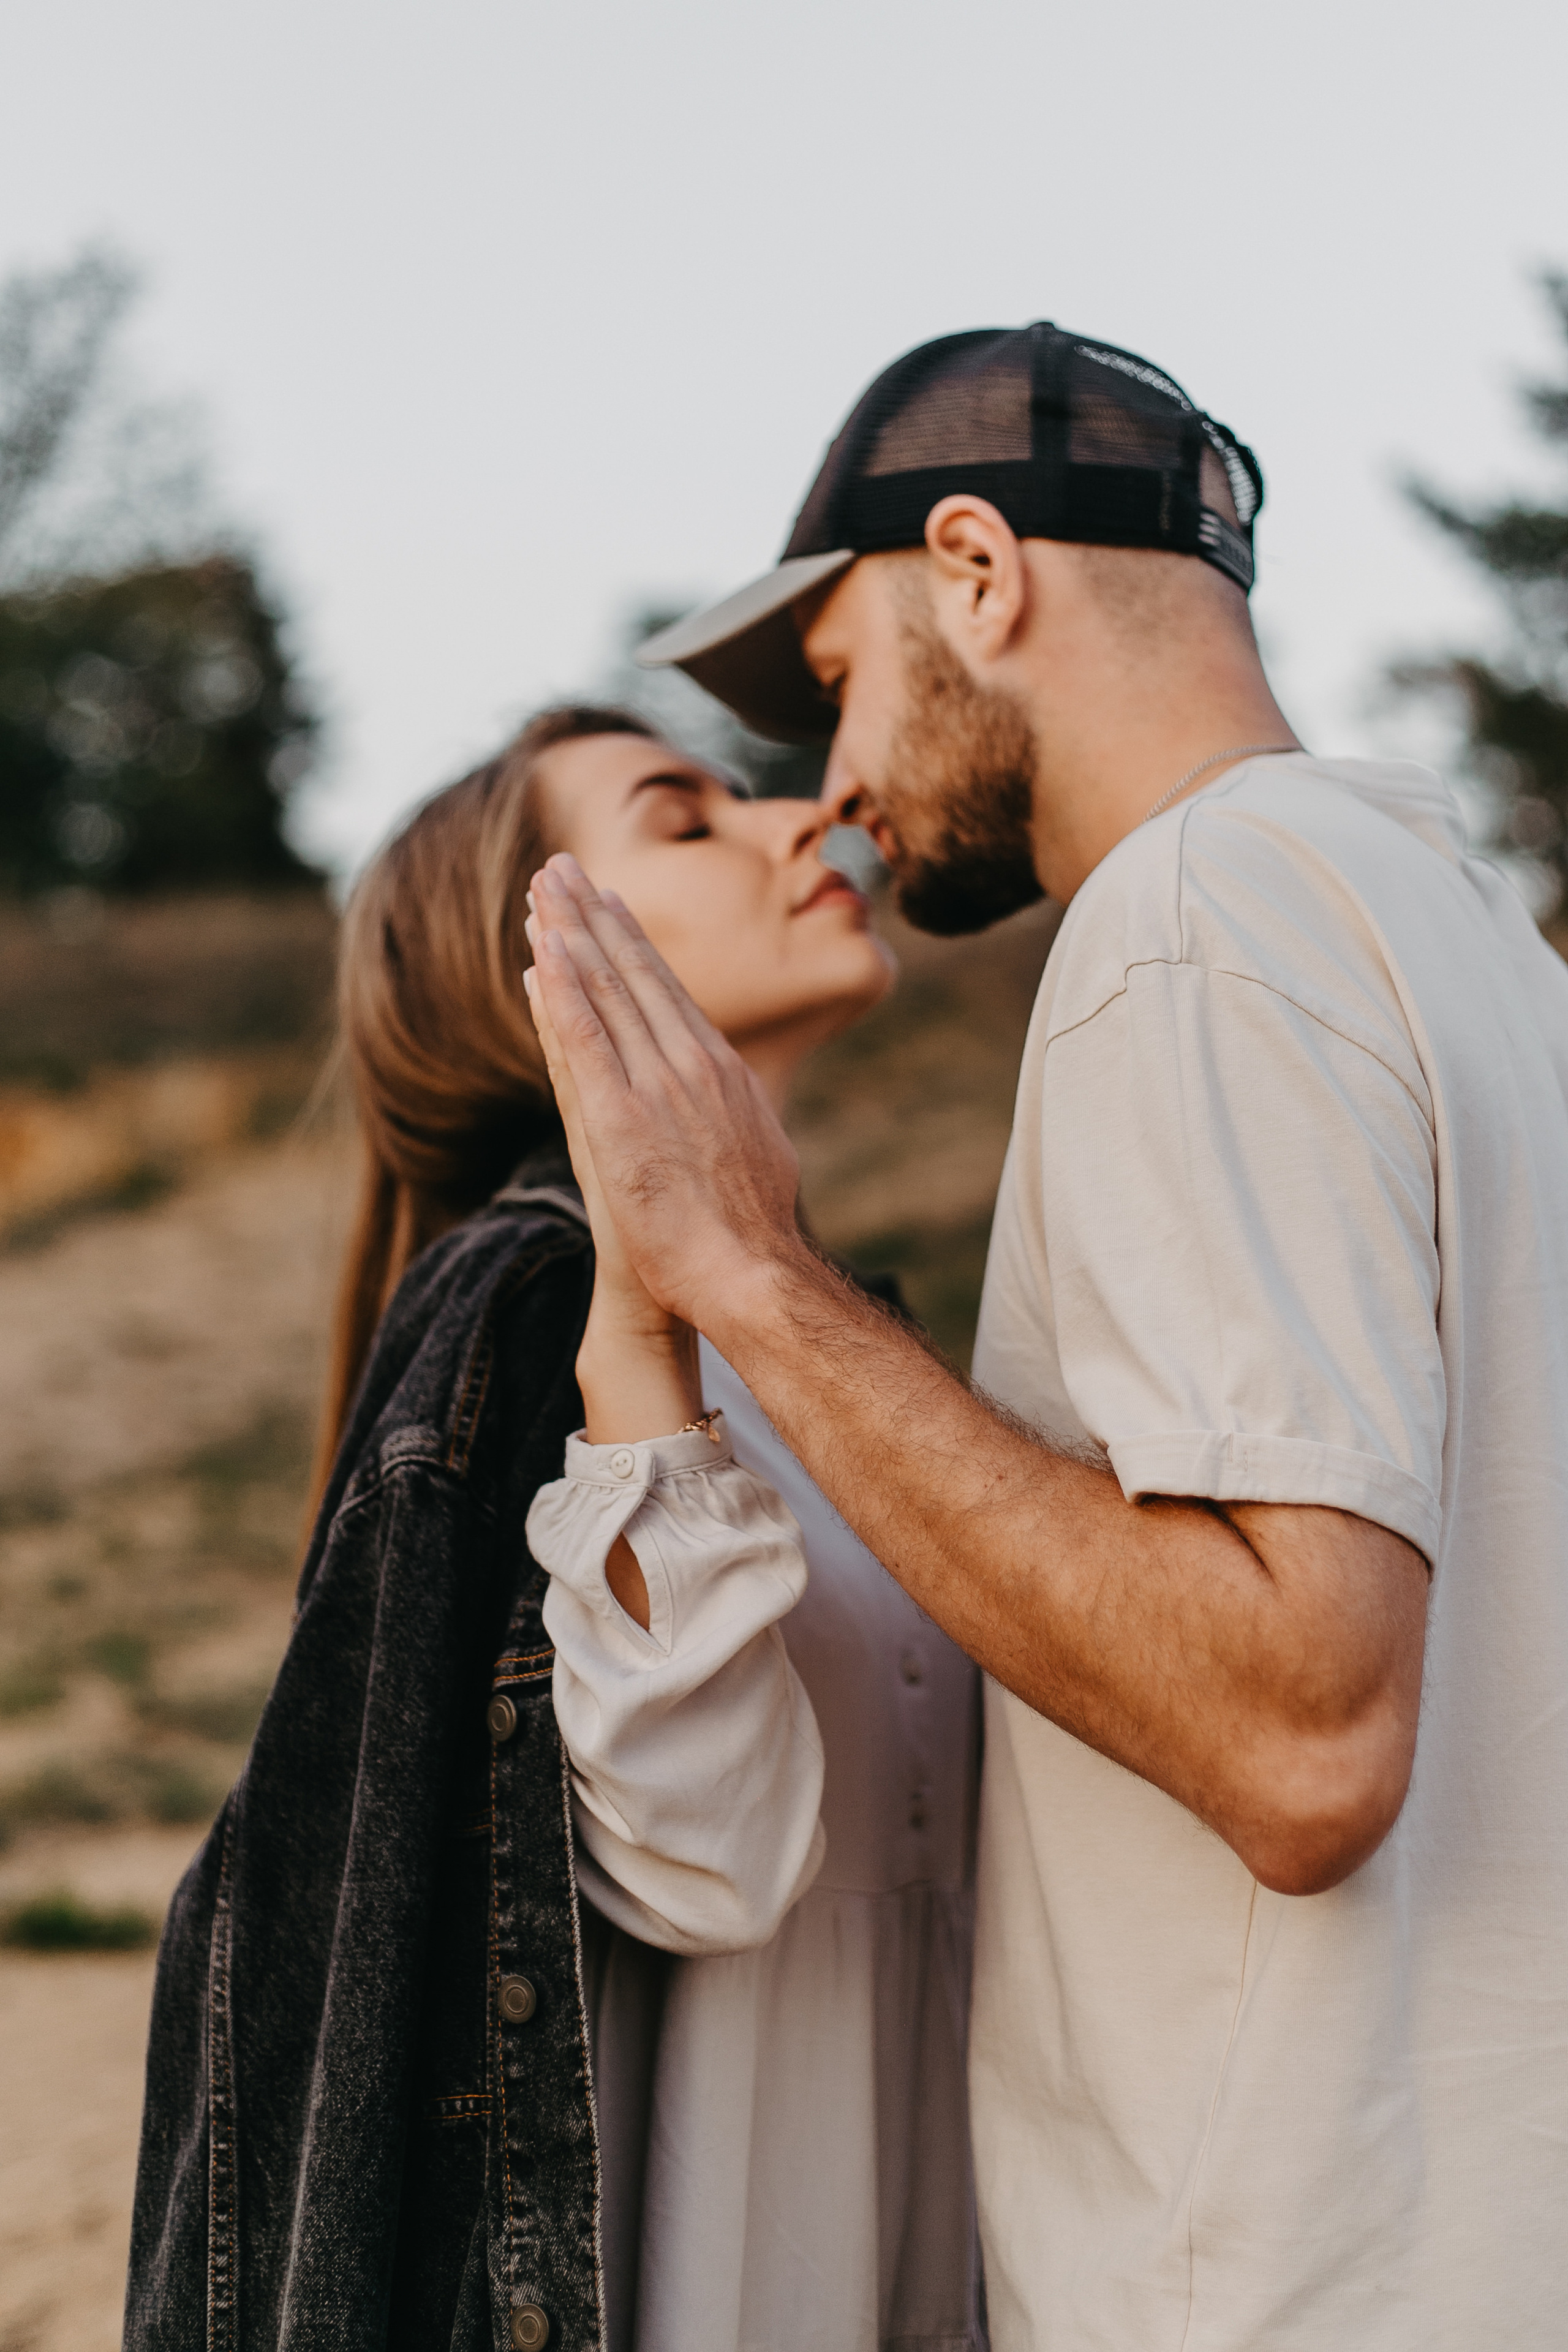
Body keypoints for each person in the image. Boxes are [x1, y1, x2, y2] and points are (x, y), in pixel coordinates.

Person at [522, 323, 1568, 2351]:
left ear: (981, 574)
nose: (830, 796)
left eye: (834, 688)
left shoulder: (1195, 918)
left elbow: (1305, 1735)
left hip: (1293, 2281)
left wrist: (755, 1276)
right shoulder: (1491, 960)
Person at [124, 702, 986, 2352]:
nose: (801, 825)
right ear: (515, 969)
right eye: (685, 817)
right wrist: (646, 1326)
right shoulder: (523, 1311)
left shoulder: (852, 1347)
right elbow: (712, 1854)